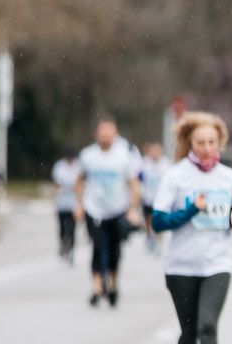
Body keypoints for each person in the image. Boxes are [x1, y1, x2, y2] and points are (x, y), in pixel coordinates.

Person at [152, 112, 232, 344]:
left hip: (218, 263)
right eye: (200, 142)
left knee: (208, 325)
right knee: (189, 332)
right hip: (181, 267)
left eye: (212, 142)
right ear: (189, 143)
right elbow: (158, 221)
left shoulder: (228, 177)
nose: (206, 148)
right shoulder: (175, 176)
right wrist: (191, 209)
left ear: (220, 143)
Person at [75, 120, 142, 307]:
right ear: (96, 135)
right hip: (94, 210)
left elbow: (133, 184)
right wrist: (79, 205)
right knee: (98, 247)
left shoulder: (124, 156)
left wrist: (132, 209)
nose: (105, 137)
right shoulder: (88, 155)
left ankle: (112, 284)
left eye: (108, 134)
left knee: (114, 250)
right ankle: (97, 287)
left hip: (117, 210)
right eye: (102, 134)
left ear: (115, 135)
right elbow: (79, 180)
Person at [138, 142, 170, 258]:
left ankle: (158, 240)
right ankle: (150, 236)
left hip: (161, 199)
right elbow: (139, 179)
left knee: (159, 221)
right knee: (148, 220)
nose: (155, 154)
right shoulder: (144, 163)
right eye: (153, 152)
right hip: (147, 198)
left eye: (157, 151)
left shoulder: (166, 164)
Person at [50, 153, 81, 263]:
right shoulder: (60, 166)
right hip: (62, 203)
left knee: (72, 229)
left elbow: (80, 183)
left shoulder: (78, 166)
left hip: (74, 204)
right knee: (62, 227)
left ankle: (71, 249)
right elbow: (55, 182)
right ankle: (63, 245)